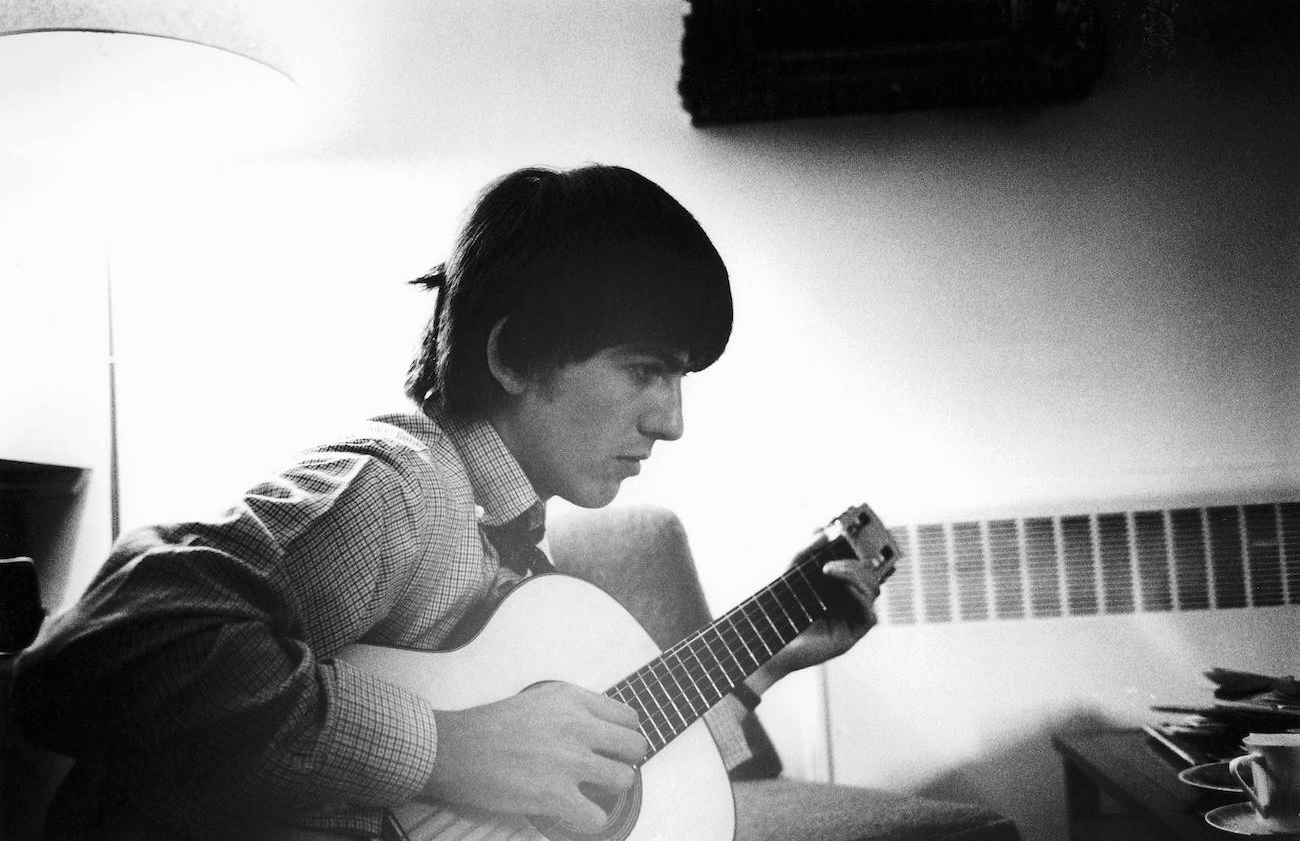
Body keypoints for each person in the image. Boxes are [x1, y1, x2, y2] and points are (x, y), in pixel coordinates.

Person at [14, 165, 894, 840]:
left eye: (679, 378)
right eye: (644, 369)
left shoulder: (509, 547)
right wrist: (445, 748)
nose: (670, 420)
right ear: (513, 356)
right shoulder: (397, 490)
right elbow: (92, 659)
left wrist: (769, 657)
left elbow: (599, 764)